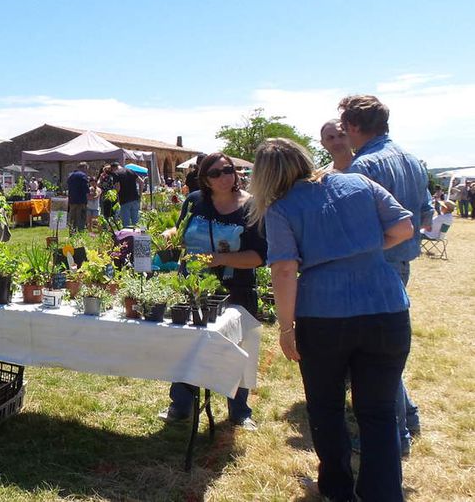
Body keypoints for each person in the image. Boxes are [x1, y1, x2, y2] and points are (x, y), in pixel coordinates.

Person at [250, 138, 413, 502]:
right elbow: (403, 228)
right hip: (386, 308)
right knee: (380, 411)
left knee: (326, 407)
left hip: (323, 318)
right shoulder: (358, 182)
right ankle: (383, 494)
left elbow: (285, 270)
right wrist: (363, 250)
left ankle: (338, 490)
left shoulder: (280, 208)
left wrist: (286, 326)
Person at [340, 94, 431, 455]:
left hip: (373, 267)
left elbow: (354, 228)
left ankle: (396, 437)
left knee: (375, 357)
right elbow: (424, 214)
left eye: (345, 127)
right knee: (386, 351)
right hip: (401, 262)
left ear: (353, 126)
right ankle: (408, 417)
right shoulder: (411, 159)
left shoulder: (365, 166)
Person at [158, 151, 266, 430]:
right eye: (215, 173)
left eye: (227, 170)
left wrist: (219, 259)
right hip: (192, 288)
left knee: (238, 350)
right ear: (204, 178)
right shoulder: (195, 201)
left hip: (236, 290)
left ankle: (240, 411)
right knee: (186, 346)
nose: (223, 177)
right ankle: (180, 405)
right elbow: (182, 232)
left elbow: (258, 256)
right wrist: (169, 234)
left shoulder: (252, 207)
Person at [112, 162, 142, 227]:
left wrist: (115, 195)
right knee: (136, 222)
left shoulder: (116, 173)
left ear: (113, 168)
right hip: (135, 199)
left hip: (124, 200)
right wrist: (140, 195)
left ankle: (128, 237)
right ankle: (137, 236)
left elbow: (118, 188)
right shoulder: (130, 170)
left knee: (126, 224)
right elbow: (141, 182)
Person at [66, 162, 89, 231]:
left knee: (73, 218)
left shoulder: (70, 176)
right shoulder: (83, 175)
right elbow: (85, 189)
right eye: (86, 169)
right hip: (81, 200)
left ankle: (72, 232)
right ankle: (80, 232)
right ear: (84, 167)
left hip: (72, 200)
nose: (87, 170)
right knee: (81, 218)